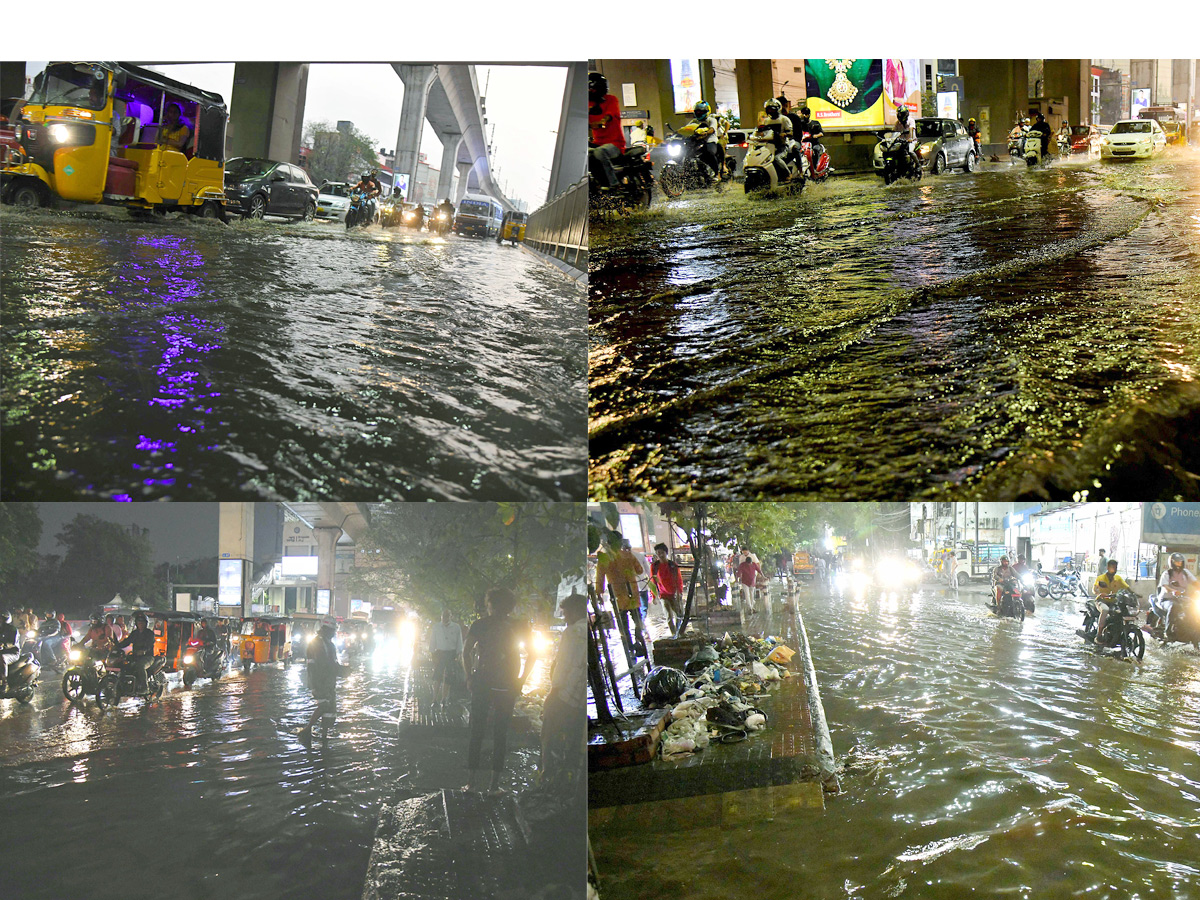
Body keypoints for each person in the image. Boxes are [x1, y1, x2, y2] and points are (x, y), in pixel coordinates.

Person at [462, 587, 536, 794]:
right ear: (510, 606)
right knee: (500, 733)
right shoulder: (520, 625)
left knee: (476, 731)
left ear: (490, 604)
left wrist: (469, 676)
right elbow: (533, 654)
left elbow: (465, 651)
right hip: (508, 684)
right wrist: (521, 679)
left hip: (482, 682)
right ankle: (494, 785)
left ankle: (471, 783)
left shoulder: (480, 624)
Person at [539, 591, 586, 787]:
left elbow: (563, 666)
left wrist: (552, 692)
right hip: (580, 701)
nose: (565, 619)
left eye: (566, 614)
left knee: (549, 736)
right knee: (574, 741)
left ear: (575, 611)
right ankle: (568, 778)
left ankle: (547, 776)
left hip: (565, 695)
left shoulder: (572, 632)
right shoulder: (587, 629)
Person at [298, 618, 350, 747]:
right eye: (332, 630)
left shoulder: (328, 644)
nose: (334, 633)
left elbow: (331, 664)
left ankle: (324, 736)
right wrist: (315, 684)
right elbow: (321, 665)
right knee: (324, 705)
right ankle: (307, 729)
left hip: (328, 681)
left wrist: (341, 670)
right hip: (320, 681)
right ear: (326, 629)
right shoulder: (318, 644)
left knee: (330, 710)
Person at [595, 534, 647, 658]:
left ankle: (630, 648)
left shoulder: (604, 559)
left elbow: (600, 579)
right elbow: (639, 570)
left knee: (623, 626)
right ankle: (639, 639)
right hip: (633, 595)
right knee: (638, 621)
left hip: (617, 598)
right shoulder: (628, 555)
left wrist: (599, 593)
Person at [588, 72, 625, 190]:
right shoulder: (588, 104)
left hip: (615, 144)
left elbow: (611, 114)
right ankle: (596, 184)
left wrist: (602, 121)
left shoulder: (611, 100)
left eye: (591, 89)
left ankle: (614, 185)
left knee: (599, 152)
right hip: (598, 143)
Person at [1149, 552, 1196, 633]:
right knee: (1173, 606)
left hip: (1182, 598)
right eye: (1177, 562)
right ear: (1172, 562)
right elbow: (1165, 587)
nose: (1179, 564)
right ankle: (1168, 632)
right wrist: (1174, 591)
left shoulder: (1185, 573)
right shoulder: (1167, 573)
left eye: (1180, 562)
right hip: (1166, 599)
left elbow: (1195, 582)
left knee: (1193, 606)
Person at [1092, 559, 1134, 647]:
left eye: (1115, 567)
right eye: (1112, 567)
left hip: (1114, 601)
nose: (1114, 569)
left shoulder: (1118, 578)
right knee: (1105, 610)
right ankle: (1098, 635)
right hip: (1102, 600)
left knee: (1122, 612)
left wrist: (1134, 594)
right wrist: (1099, 593)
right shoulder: (1101, 578)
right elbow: (1095, 588)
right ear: (1107, 568)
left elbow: (1127, 587)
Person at [113, 612, 156, 695]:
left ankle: (145, 688)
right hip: (135, 656)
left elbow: (150, 644)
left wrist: (144, 650)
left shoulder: (150, 633)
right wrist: (117, 646)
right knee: (122, 663)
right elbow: (127, 642)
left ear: (146, 623)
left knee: (140, 666)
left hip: (148, 657)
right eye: (139, 622)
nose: (140, 624)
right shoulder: (134, 633)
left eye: (142, 622)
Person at [429, 608, 464, 708]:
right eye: (443, 616)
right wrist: (432, 654)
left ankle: (444, 699)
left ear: (451, 616)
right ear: (441, 616)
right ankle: (434, 698)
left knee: (448, 677)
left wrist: (459, 653)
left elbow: (459, 641)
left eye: (447, 616)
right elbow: (432, 640)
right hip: (439, 653)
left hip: (451, 653)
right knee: (437, 677)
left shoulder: (456, 627)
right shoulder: (436, 627)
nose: (445, 618)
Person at [757, 98, 796, 181]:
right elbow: (762, 132)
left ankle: (788, 174)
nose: (771, 111)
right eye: (769, 109)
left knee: (776, 158)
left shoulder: (784, 119)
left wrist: (784, 134)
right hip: (769, 146)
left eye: (772, 109)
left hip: (782, 146)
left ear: (777, 109)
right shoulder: (767, 121)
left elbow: (791, 133)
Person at [650, 543, 685, 631]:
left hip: (674, 594)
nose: (660, 555)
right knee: (668, 616)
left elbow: (679, 580)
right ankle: (673, 633)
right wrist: (654, 596)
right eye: (658, 553)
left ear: (666, 553)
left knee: (679, 614)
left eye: (662, 553)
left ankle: (679, 632)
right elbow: (653, 582)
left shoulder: (672, 565)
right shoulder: (654, 567)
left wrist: (679, 592)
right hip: (663, 595)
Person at [689, 100, 722, 185]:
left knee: (709, 152)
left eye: (701, 111)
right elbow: (686, 128)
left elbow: (712, 129)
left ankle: (716, 173)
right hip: (697, 143)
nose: (699, 113)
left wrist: (706, 132)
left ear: (707, 111)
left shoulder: (711, 120)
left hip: (710, 141)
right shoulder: (694, 122)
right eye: (697, 111)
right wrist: (676, 133)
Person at [794, 106, 826, 175]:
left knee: (815, 150)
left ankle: (815, 167)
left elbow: (821, 133)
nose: (804, 116)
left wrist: (815, 136)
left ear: (809, 114)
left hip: (814, 143)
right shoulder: (800, 124)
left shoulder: (815, 123)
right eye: (803, 114)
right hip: (803, 144)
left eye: (806, 114)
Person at [736, 548, 762, 613]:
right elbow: (739, 570)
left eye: (745, 552)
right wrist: (738, 578)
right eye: (743, 552)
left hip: (753, 578)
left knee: (752, 594)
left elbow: (758, 567)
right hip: (745, 579)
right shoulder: (741, 559)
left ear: (748, 551)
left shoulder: (753, 557)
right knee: (747, 595)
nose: (744, 553)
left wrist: (761, 575)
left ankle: (752, 607)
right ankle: (750, 608)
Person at [896, 105, 919, 174]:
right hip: (902, 142)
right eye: (899, 113)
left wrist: (911, 138)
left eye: (902, 114)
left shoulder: (911, 121)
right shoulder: (897, 123)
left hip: (911, 141)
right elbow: (894, 131)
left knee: (910, 151)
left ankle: (918, 165)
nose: (900, 115)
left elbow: (911, 129)